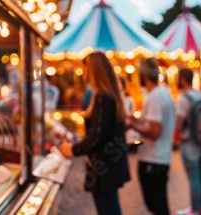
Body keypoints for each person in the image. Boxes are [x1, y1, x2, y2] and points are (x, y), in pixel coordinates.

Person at [59, 52, 130, 215]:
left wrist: (73, 149)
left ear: (92, 69)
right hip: (110, 164)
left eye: (84, 67)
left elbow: (98, 137)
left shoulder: (102, 98)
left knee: (107, 208)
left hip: (103, 165)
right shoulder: (109, 96)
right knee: (110, 206)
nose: (82, 71)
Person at [128, 57, 176, 215]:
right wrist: (138, 119)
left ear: (143, 75)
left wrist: (132, 125)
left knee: (157, 205)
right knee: (158, 204)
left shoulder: (155, 96)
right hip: (159, 158)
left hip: (153, 159)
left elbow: (155, 131)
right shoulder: (163, 93)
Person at [174, 68, 201, 215]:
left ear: (183, 79)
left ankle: (194, 210)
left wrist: (175, 134)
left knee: (194, 177)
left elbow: (179, 123)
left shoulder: (184, 98)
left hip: (190, 142)